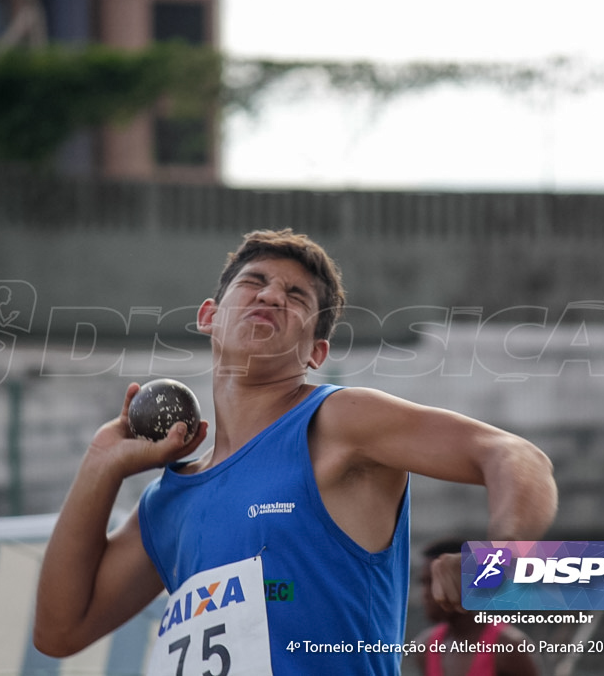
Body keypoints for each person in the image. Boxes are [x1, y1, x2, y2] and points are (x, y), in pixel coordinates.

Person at [33, 229, 557, 674]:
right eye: (254, 283)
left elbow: (515, 457)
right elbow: (59, 631)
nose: (271, 296)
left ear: (316, 352)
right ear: (209, 316)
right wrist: (101, 465)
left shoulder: (338, 424)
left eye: (297, 296)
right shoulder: (167, 503)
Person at [413, 539, 540, 676]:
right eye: (423, 583)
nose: (425, 593)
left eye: (434, 582)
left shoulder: (508, 648)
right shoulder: (426, 647)